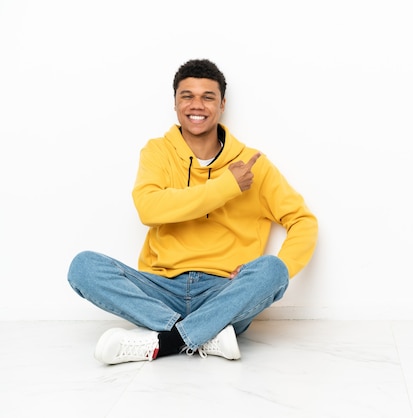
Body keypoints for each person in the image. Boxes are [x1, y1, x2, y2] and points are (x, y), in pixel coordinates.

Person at [67, 59, 318, 365]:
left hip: (224, 292)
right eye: (187, 96)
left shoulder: (253, 164)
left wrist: (277, 265)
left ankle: (167, 340)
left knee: (273, 271)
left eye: (207, 97)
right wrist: (227, 186)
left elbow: (303, 221)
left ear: (222, 104)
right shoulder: (157, 152)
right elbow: (148, 207)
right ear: (175, 103)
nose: (196, 105)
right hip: (161, 288)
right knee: (83, 267)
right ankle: (206, 335)